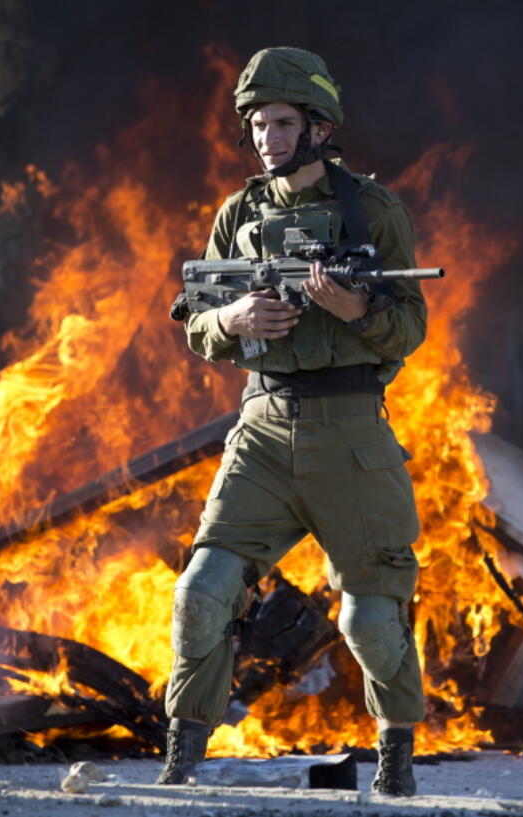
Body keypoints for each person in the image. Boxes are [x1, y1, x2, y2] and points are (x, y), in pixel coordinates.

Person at [159, 47, 427, 797]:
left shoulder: (373, 210)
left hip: (352, 434)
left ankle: (397, 756)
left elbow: (412, 325)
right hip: (262, 429)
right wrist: (236, 317)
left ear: (319, 127)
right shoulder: (238, 215)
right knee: (201, 593)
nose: (267, 138)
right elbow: (196, 321)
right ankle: (181, 754)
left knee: (370, 620)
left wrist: (360, 308)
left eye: (281, 122)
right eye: (257, 125)